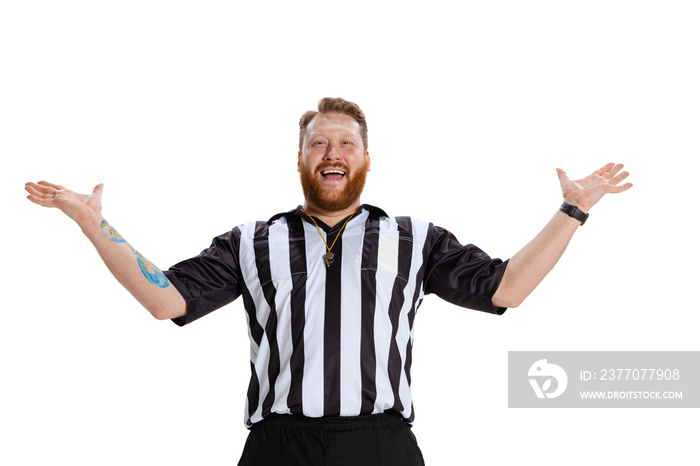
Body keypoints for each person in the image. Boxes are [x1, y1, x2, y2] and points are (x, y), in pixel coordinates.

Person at [25, 97, 632, 465]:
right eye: (319, 143)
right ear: (301, 160)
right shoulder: (250, 241)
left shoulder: (415, 237)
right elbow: (165, 300)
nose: (332, 151)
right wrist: (92, 220)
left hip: (382, 446)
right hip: (278, 448)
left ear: (365, 160)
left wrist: (572, 211)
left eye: (346, 142)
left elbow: (506, 289)